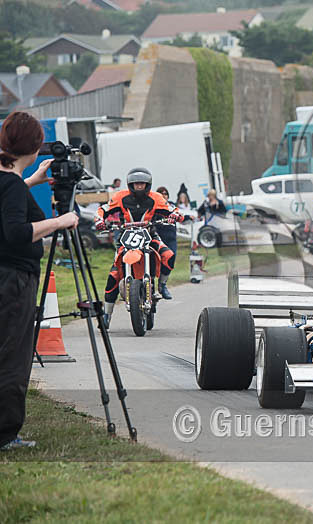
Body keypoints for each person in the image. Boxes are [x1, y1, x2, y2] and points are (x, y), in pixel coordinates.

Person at [0, 111, 79, 450]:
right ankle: (6, 434)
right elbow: (17, 233)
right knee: (13, 356)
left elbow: (7, 196)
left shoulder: (9, 181)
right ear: (33, 148)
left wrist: (30, 181)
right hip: (14, 280)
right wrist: (60, 222)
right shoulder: (12, 185)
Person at [94, 168, 183, 324]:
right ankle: (106, 315)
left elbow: (173, 209)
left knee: (169, 255)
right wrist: (100, 220)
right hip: (125, 237)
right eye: (136, 184)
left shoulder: (156, 198)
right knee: (114, 274)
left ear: (148, 184)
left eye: (142, 184)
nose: (139, 187)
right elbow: (103, 209)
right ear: (130, 185)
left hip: (150, 234)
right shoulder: (120, 197)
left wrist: (175, 215)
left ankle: (162, 285)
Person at [155, 186, 178, 300]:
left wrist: (188, 217)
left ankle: (162, 284)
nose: (163, 195)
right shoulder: (154, 207)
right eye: (160, 193)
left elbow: (179, 214)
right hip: (158, 237)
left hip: (171, 238)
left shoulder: (172, 206)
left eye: (165, 193)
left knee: (171, 258)